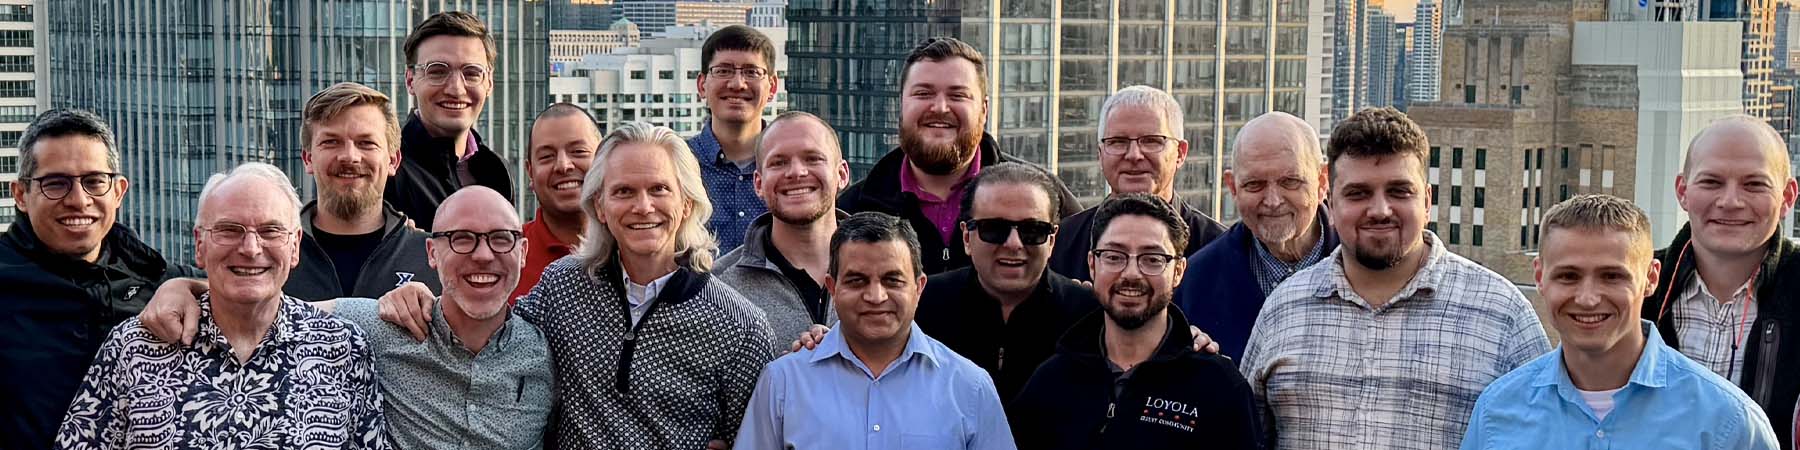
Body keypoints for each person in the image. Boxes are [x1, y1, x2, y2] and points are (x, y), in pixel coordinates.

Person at [378, 122, 776, 449]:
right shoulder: (563, 284)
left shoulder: (740, 327)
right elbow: (489, 327)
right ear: (600, 206)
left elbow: (756, 438)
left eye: (659, 189)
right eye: (623, 192)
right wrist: (416, 297)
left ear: (687, 203)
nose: (642, 206)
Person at [138, 186, 555, 449]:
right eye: (461, 239)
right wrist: (187, 288)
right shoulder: (375, 325)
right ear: (431, 253)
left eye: (501, 239)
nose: (483, 255)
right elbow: (266, 309)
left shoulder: (546, 347)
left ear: (521, 252)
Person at [1240, 107, 1550, 449]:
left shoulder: (1502, 314)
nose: (1380, 210)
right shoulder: (1284, 308)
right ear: (1330, 200)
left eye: (1399, 191)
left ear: (1427, 201)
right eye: (1358, 193)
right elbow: (1245, 437)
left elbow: (1546, 436)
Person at [56, 163, 387, 449]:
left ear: (295, 246)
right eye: (230, 230)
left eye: (271, 231)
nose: (251, 248)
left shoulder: (343, 348)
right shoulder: (133, 349)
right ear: (200, 245)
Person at [1460, 194, 1779, 450]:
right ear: (1540, 278)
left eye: (1612, 276)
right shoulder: (1496, 411)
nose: (1587, 298)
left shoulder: (1729, 423)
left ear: (1651, 278)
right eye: (1568, 276)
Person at [0, 109, 200, 450]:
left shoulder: (154, 276)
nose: (79, 201)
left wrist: (190, 286)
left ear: (119, 191)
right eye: (55, 183)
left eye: (94, 181)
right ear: (21, 195)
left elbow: (257, 296)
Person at [733, 212, 1016, 450]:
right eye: (857, 281)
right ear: (833, 288)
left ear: (919, 288)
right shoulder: (783, 383)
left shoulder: (969, 387)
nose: (876, 296)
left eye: (892, 280)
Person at [1010, 193, 1260, 449]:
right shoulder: (1050, 383)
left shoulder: (1219, 388)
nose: (1131, 273)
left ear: (1178, 271)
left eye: (1152, 259)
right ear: (1092, 265)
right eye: (1114, 256)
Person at [838, 36, 1081, 275]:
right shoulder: (851, 211)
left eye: (957, 95)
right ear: (900, 105)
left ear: (984, 110)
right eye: (923, 94)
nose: (940, 107)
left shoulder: (1045, 198)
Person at [1640, 114, 1800, 447]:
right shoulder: (1635, 288)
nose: (1730, 201)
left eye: (1754, 184)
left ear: (1787, 197)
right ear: (1682, 191)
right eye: (1711, 182)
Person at [914, 162, 1095, 400]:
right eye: (994, 228)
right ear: (967, 237)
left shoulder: (1089, 318)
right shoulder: (920, 308)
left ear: (1051, 241)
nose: (1014, 244)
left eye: (1032, 230)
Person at [1175, 111, 1338, 360]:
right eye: (1254, 185)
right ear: (1232, 187)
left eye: (1290, 181)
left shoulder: (1365, 268)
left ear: (1322, 182)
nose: (1273, 201)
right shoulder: (1195, 284)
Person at [1047, 86, 1225, 282]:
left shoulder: (1219, 251)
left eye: (1151, 141)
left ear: (1180, 153)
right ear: (1100, 154)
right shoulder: (1059, 244)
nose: (1133, 155)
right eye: (1118, 142)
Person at [291, 81, 441, 300]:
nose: (350, 156)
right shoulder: (274, 256)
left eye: (366, 143)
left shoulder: (433, 259)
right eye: (331, 142)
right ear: (308, 159)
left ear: (393, 160)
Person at [716, 111, 847, 347]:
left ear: (842, 174)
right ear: (758, 184)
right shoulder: (719, 287)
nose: (796, 172)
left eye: (813, 158)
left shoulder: (890, 273)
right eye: (779, 162)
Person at [387, 11, 514, 229]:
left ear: (489, 83)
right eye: (437, 71)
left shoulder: (496, 170)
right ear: (410, 81)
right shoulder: (388, 169)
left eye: (472, 73)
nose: (456, 88)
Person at [692, 25, 781, 252]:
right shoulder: (676, 164)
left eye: (752, 72)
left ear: (772, 87)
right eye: (723, 71)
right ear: (702, 85)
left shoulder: (792, 168)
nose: (737, 84)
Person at [518, 102, 600, 301]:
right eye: (547, 156)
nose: (563, 166)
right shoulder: (506, 254)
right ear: (530, 172)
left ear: (603, 160)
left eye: (578, 152)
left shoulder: (633, 249)